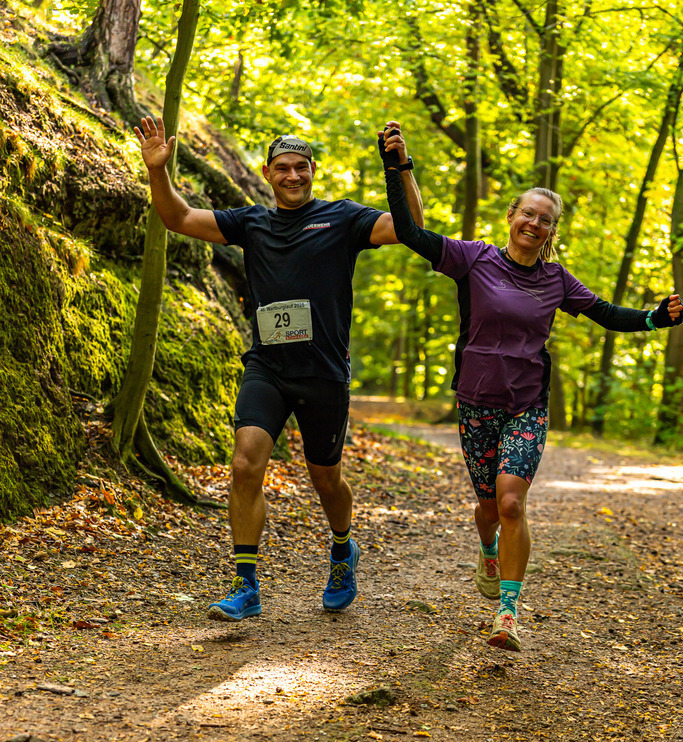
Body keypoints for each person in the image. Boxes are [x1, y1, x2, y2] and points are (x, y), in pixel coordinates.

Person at [378, 124, 683, 652]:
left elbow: (609, 315)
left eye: (545, 220)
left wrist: (657, 318)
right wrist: (397, 165)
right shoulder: (473, 258)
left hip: (526, 405)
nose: (534, 224)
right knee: (489, 509)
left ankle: (508, 613)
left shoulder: (557, 280)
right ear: (512, 217)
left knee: (513, 502)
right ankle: (488, 549)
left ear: (551, 231)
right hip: (475, 404)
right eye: (528, 214)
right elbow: (408, 231)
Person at [133, 117, 423, 621]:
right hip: (267, 367)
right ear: (268, 173)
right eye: (283, 168)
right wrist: (158, 170)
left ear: (313, 170)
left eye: (301, 167)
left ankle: (342, 550)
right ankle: (245, 584)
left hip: (324, 372)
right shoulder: (252, 223)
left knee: (325, 479)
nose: (293, 175)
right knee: (245, 463)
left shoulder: (342, 219)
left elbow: (410, 227)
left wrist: (400, 167)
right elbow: (178, 218)